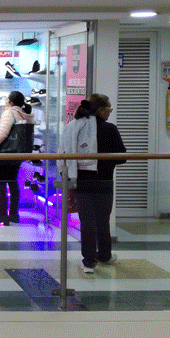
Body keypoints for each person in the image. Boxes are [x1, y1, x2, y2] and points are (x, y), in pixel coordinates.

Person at [59, 95, 126, 273]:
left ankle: (88, 262)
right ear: (100, 110)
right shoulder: (110, 129)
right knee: (103, 221)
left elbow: (63, 153)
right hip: (104, 181)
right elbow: (122, 156)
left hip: (81, 182)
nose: (109, 113)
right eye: (109, 109)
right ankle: (104, 255)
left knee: (87, 222)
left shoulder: (72, 127)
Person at [0, 91, 35, 226]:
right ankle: (13, 214)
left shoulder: (9, 112)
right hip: (16, 154)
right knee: (13, 183)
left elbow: (2, 133)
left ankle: (2, 216)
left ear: (11, 102)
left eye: (7, 98)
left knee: (1, 184)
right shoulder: (23, 113)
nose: (5, 100)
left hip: (4, 154)